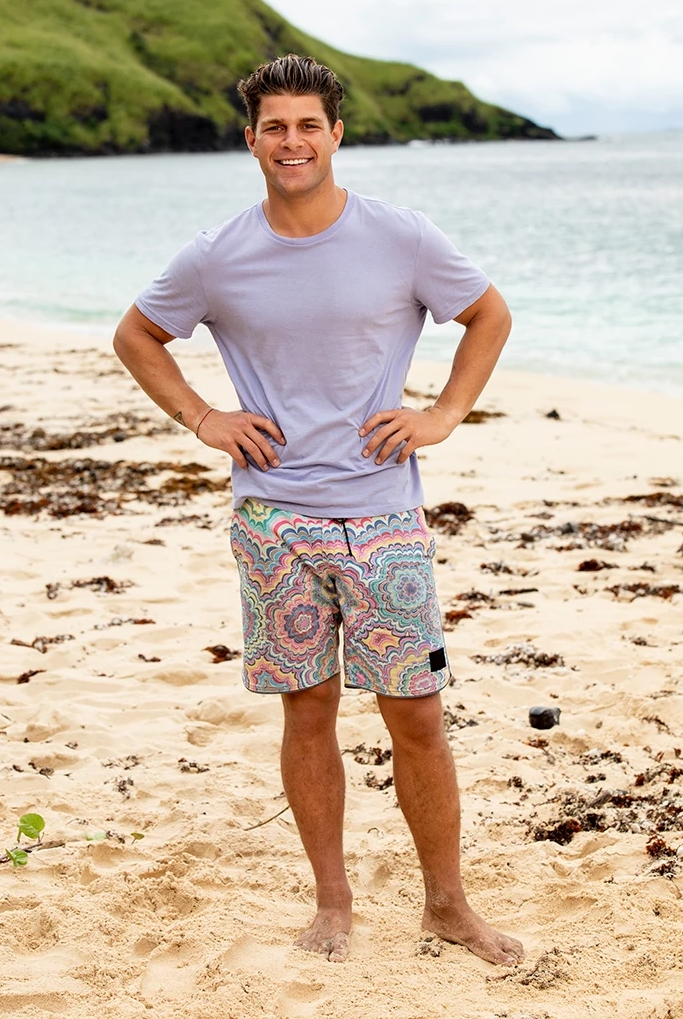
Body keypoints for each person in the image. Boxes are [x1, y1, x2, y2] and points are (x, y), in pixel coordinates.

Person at [113, 54, 523, 967]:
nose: (291, 142)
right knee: (308, 713)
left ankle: (448, 906)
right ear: (250, 138)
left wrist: (443, 415)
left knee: (417, 714)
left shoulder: (403, 237)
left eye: (308, 125)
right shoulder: (217, 255)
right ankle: (333, 906)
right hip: (274, 520)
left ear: (336, 134)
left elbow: (489, 316)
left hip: (384, 516)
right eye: (275, 127)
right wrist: (204, 418)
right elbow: (136, 334)